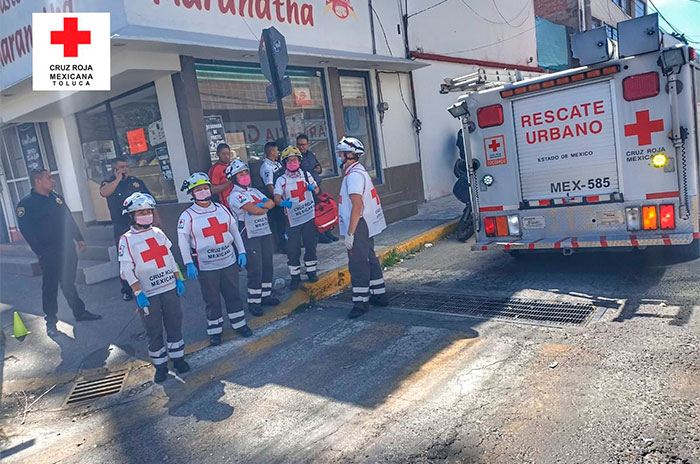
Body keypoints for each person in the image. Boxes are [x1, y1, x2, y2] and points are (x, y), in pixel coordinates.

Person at [16, 170, 102, 336]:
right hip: (48, 253)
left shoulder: (57, 198)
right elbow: (27, 231)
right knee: (50, 287)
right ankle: (51, 322)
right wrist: (41, 252)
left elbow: (68, 219)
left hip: (67, 249)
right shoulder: (25, 204)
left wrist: (79, 238)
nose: (52, 180)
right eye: (48, 178)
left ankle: (80, 312)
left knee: (69, 283)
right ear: (38, 181)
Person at [118, 192, 189, 383]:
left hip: (169, 288)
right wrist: (138, 292)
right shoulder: (126, 239)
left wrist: (178, 278)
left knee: (174, 323)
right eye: (141, 212)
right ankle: (160, 366)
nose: (146, 215)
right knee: (153, 329)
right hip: (148, 294)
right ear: (131, 216)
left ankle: (178, 359)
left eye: (149, 211)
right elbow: (126, 268)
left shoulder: (158, 233)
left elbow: (169, 257)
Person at [177, 172, 252, 346]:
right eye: (198, 189)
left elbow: (234, 231)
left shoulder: (222, 209)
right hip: (206, 266)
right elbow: (182, 242)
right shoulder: (187, 216)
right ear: (192, 193)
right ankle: (215, 331)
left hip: (228, 261)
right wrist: (188, 263)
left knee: (233, 294)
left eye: (205, 188)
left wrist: (241, 251)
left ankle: (239, 324)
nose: (203, 191)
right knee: (212, 300)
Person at [336, 137, 389, 319]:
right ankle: (378, 294)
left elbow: (356, 205)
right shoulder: (360, 172)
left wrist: (350, 233)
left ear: (349, 155)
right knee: (369, 257)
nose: (338, 157)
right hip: (365, 223)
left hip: (359, 225)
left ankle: (360, 302)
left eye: (340, 154)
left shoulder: (354, 176)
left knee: (358, 262)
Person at [226, 159, 280, 317]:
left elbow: (271, 203)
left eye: (245, 172)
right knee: (255, 269)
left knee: (267, 265)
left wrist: (261, 206)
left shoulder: (253, 191)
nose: (244, 176)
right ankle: (254, 301)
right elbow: (255, 210)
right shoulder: (235, 195)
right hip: (249, 235)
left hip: (264, 231)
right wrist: (262, 207)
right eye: (240, 174)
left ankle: (266, 295)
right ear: (234, 178)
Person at [99, 157, 157, 301]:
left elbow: (149, 201)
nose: (125, 169)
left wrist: (157, 219)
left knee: (144, 253)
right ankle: (127, 289)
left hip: (140, 223)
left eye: (126, 166)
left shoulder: (136, 182)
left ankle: (147, 282)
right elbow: (104, 192)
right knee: (125, 258)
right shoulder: (109, 183)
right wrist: (118, 179)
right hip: (121, 225)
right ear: (115, 170)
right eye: (121, 167)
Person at [274, 146, 320, 290]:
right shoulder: (281, 180)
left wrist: (313, 189)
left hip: (308, 217)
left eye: (295, 159)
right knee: (293, 249)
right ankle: (295, 276)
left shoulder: (306, 175)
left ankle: (311, 271)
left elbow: (317, 189)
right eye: (289, 160)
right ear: (285, 163)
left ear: (299, 161)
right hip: (292, 220)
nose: (292, 162)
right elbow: (276, 197)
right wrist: (282, 202)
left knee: (311, 245)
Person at [297, 134, 338, 244]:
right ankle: (320, 235)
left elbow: (318, 168)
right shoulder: (296, 158)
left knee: (323, 209)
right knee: (314, 213)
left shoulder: (310, 155)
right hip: (305, 190)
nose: (302, 147)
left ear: (307, 145)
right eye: (299, 145)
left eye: (304, 145)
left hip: (317, 186)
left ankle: (327, 231)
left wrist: (317, 169)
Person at [259, 141, 287, 253]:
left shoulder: (277, 164)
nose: (278, 152)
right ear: (271, 151)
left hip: (284, 197)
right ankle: (283, 246)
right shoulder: (266, 167)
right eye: (276, 150)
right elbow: (269, 185)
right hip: (276, 200)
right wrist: (278, 198)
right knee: (280, 224)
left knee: (286, 222)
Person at [208, 143, 235, 210]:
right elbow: (212, 190)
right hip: (226, 205)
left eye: (228, 154)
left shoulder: (234, 165)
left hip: (240, 202)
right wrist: (230, 182)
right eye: (223, 154)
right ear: (218, 154)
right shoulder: (215, 169)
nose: (226, 156)